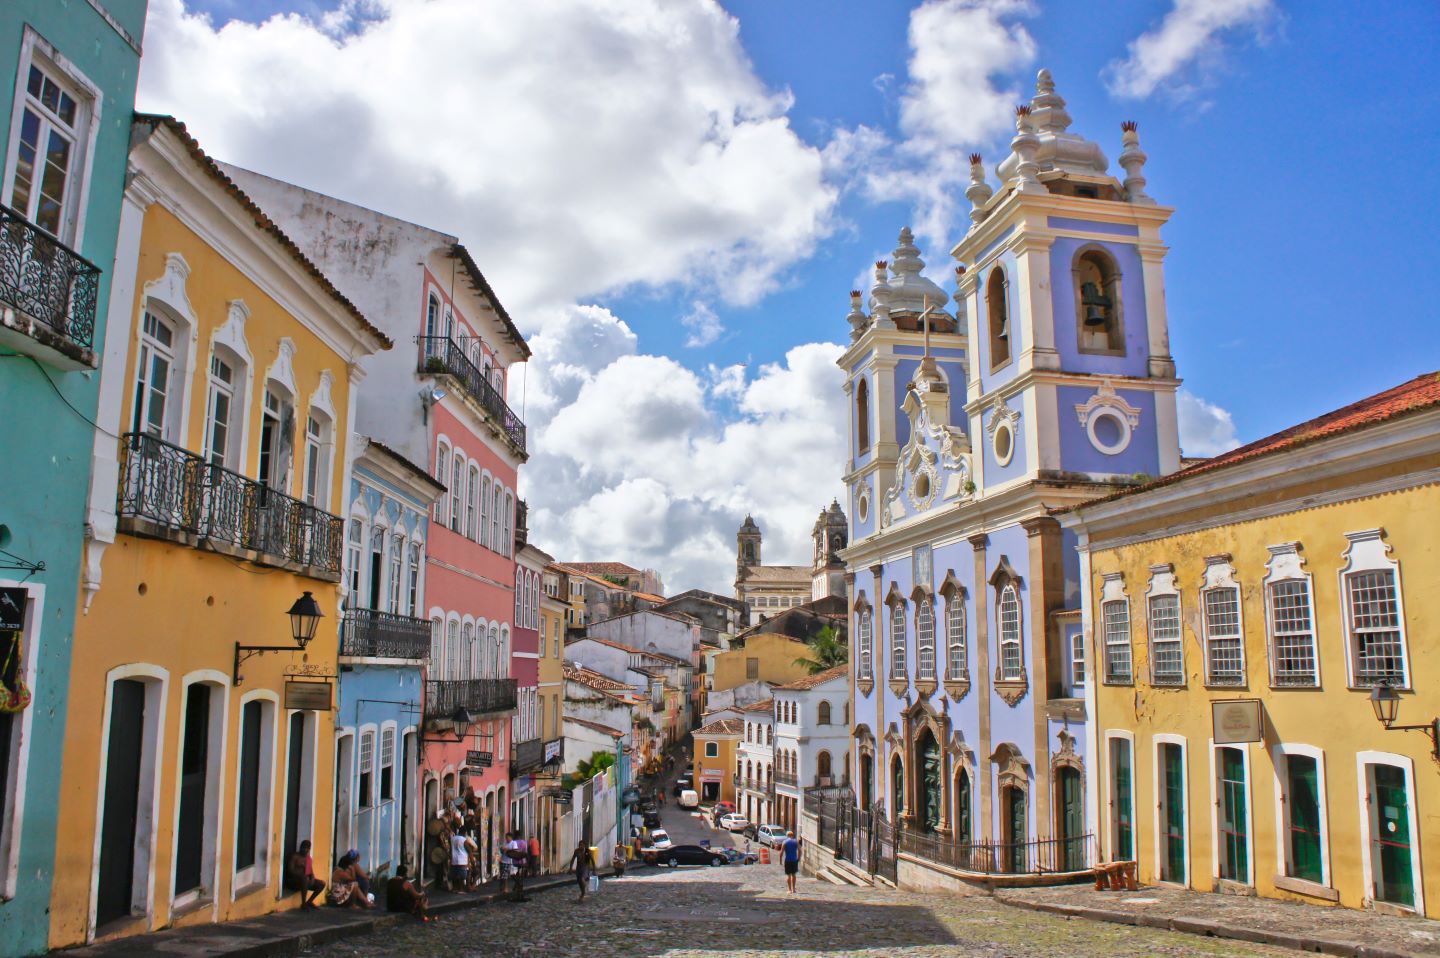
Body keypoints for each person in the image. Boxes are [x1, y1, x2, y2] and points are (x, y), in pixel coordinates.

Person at [285, 840, 325, 909]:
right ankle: (303, 904)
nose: (305, 850)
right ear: (301, 848)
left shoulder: (308, 858)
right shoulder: (295, 856)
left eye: (307, 848)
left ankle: (309, 902)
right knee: (305, 878)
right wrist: (302, 875)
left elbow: (311, 872)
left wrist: (312, 878)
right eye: (304, 848)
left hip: (305, 881)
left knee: (322, 883)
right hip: (293, 881)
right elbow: (290, 871)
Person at [504, 832, 529, 902]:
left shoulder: (514, 842)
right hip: (522, 861)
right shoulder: (524, 842)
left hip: (514, 861)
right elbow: (525, 852)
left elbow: (511, 852)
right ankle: (518, 888)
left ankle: (517, 886)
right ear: (520, 836)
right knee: (520, 876)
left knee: (513, 875)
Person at [449, 826, 472, 893]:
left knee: (455, 875)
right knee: (462, 876)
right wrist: (471, 862)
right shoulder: (463, 840)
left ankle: (455, 888)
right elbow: (469, 850)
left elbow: (451, 849)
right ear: (465, 832)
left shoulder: (453, 838)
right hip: (462, 860)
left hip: (454, 859)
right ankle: (461, 889)